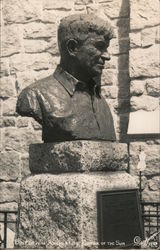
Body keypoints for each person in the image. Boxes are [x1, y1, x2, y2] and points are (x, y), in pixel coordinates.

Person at [16, 14, 116, 142]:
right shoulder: (35, 95)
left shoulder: (99, 99)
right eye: (100, 47)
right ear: (72, 48)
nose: (107, 56)